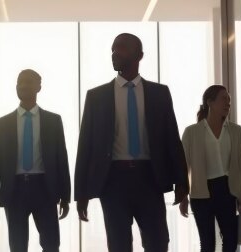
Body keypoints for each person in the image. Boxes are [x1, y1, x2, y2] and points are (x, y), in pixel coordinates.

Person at [74, 33, 188, 252]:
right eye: (113, 49)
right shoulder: (96, 97)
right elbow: (85, 145)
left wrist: (181, 181)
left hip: (150, 178)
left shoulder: (159, 93)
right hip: (113, 181)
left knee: (158, 243)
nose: (115, 53)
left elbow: (171, 138)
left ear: (139, 55)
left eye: (121, 48)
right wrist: (81, 193)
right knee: (118, 246)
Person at [0, 69, 71, 252]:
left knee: (51, 244)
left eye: (28, 82)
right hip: (14, 190)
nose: (22, 86)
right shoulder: (3, 123)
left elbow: (61, 159)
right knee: (17, 246)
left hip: (44, 189)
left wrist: (65, 196)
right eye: (19, 82)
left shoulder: (53, 121)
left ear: (39, 87)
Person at [179, 85, 241, 252]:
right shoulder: (191, 132)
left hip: (227, 190)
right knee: (207, 243)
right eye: (224, 99)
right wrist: (182, 195)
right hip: (201, 192)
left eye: (229, 100)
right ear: (210, 102)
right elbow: (183, 167)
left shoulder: (235, 131)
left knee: (231, 240)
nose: (228, 103)